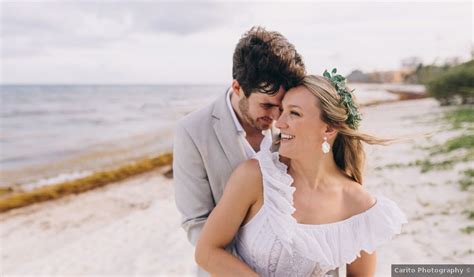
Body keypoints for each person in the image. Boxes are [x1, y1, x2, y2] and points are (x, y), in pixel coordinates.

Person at [195, 72, 408, 276]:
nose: (279, 123)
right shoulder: (256, 176)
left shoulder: (359, 205)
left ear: (329, 129)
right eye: (282, 111)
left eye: (294, 113)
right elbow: (207, 252)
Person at [173, 26, 315, 275]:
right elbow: (196, 223)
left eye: (282, 106)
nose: (277, 117)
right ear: (237, 88)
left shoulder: (288, 120)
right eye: (267, 105)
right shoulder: (191, 131)